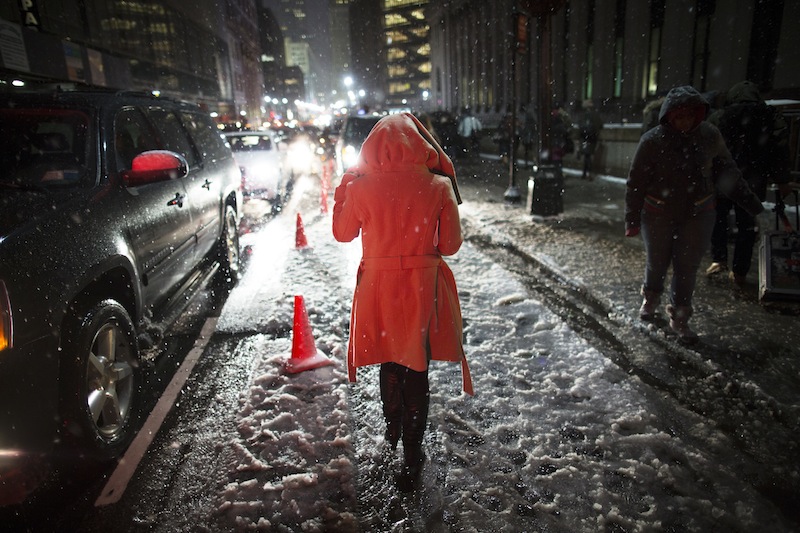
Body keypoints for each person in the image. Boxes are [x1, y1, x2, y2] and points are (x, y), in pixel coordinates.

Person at [332, 112, 474, 491]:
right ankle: (412, 453)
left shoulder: (362, 187)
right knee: (415, 365)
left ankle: (392, 433)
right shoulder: (439, 186)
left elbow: (342, 234)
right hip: (420, 287)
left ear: (373, 146)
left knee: (390, 359)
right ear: (420, 144)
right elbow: (450, 246)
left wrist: (346, 187)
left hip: (379, 288)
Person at [625, 86, 763, 344]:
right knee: (657, 261)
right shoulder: (653, 140)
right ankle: (651, 297)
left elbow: (728, 174)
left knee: (686, 267)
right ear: (669, 116)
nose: (685, 121)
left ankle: (680, 317)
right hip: (657, 212)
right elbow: (636, 182)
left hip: (698, 212)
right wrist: (631, 218)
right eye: (679, 116)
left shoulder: (709, 136)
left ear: (698, 114)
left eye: (690, 115)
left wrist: (752, 205)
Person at [705, 80, 792, 288]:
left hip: (724, 179)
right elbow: (779, 150)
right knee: (746, 225)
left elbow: (708, 147)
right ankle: (740, 271)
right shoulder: (769, 116)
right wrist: (782, 180)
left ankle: (719, 259)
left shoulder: (720, 116)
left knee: (719, 219)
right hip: (753, 179)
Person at [577, 99, 604, 180]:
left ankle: (586, 173)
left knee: (586, 156)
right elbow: (600, 125)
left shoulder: (584, 115)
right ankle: (587, 173)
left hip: (584, 138)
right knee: (588, 156)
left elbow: (580, 127)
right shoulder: (595, 114)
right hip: (592, 138)